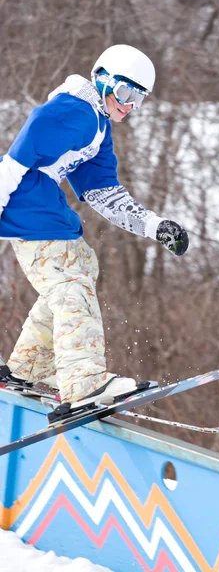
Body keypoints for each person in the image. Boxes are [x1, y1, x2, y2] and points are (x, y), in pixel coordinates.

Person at [0, 44, 188, 418]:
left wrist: (154, 225)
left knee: (81, 266)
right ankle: (84, 381)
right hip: (25, 199)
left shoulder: (98, 125)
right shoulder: (76, 110)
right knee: (71, 281)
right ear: (103, 80)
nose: (130, 106)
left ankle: (27, 367)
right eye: (126, 93)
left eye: (139, 99)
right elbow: (19, 154)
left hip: (39, 203)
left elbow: (104, 192)